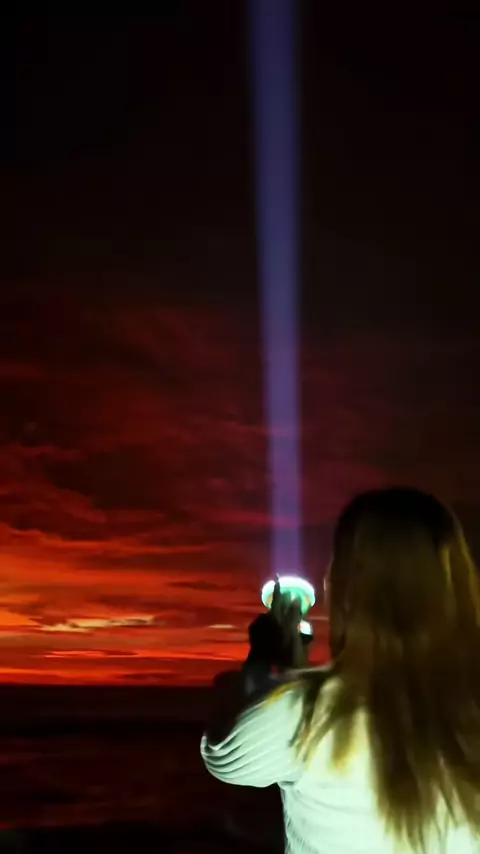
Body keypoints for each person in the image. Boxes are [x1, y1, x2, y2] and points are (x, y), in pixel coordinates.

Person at [201, 487, 480, 853]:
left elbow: (223, 755)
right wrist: (295, 669)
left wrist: (262, 659)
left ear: (350, 590)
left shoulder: (303, 715)